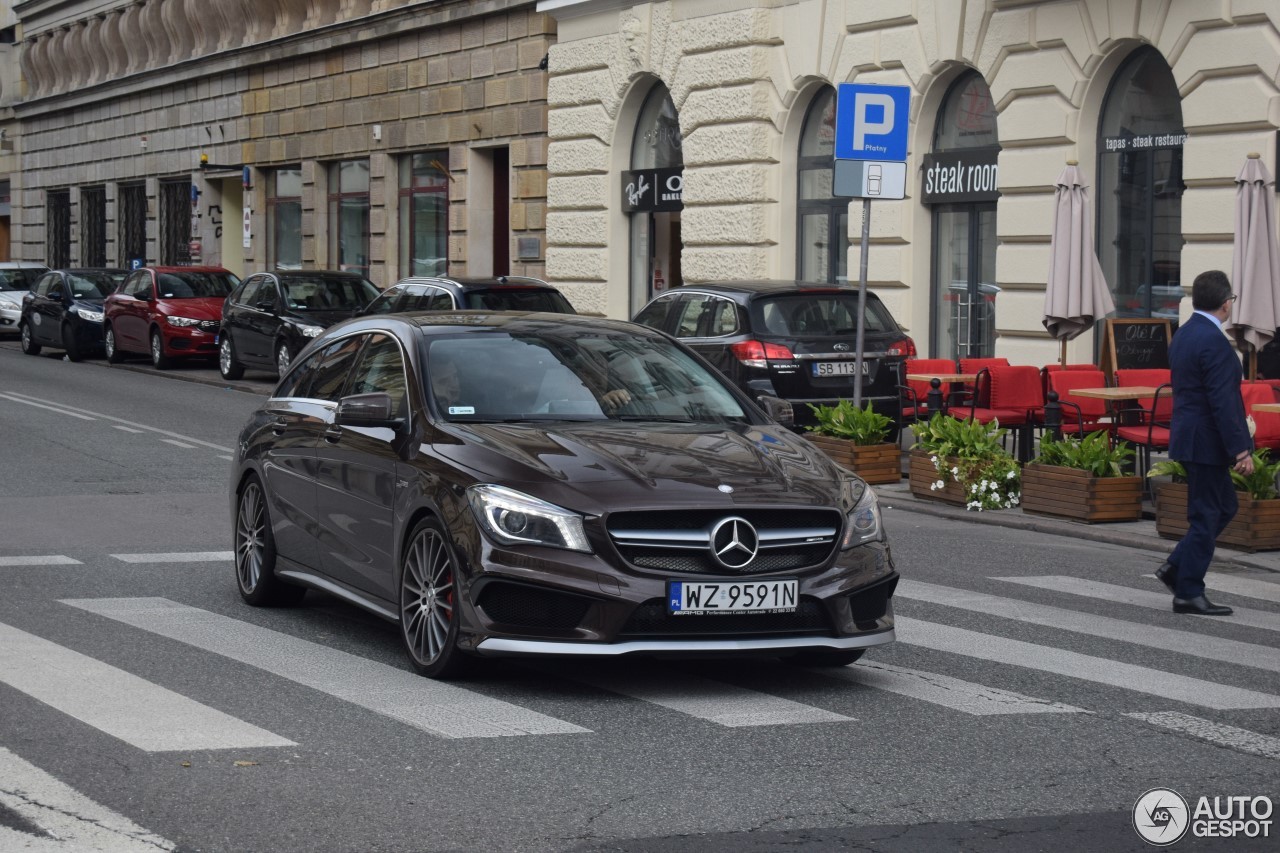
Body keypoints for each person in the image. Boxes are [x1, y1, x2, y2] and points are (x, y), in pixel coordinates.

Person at [1155, 270, 1254, 616]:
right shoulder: (1212, 341)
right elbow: (1223, 401)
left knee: (1223, 508)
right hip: (1207, 441)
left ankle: (1176, 567)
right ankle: (1188, 591)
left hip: (1191, 435)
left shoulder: (1183, 334)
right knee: (1208, 515)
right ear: (1226, 303)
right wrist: (1241, 449)